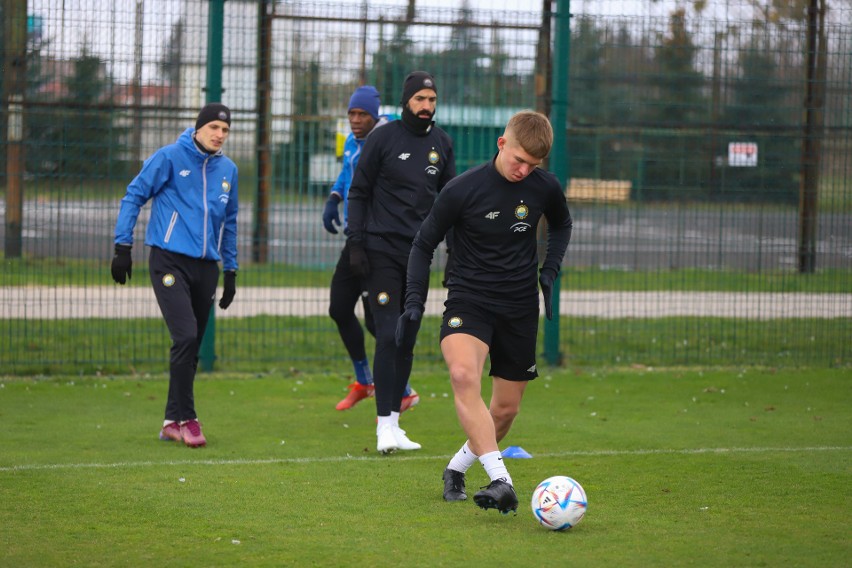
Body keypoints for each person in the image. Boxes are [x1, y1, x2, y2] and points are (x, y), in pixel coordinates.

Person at [396, 110, 573, 513]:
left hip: (519, 306)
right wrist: (412, 300)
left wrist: (550, 269)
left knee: (505, 410)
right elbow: (423, 245)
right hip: (469, 299)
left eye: (533, 165)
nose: (524, 170)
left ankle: (456, 469)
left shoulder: (544, 187)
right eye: (519, 160)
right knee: (462, 375)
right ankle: (501, 480)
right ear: (502, 143)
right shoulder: (462, 189)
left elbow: (562, 225)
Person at [111, 103, 239, 448]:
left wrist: (231, 270)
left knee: (191, 345)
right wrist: (123, 247)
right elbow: (134, 195)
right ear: (198, 128)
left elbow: (231, 223)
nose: (219, 135)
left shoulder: (229, 169)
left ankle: (171, 420)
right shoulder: (168, 157)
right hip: (168, 262)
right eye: (213, 127)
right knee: (184, 337)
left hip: (206, 268)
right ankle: (189, 419)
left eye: (225, 130)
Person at [347, 71, 456, 454]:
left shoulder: (442, 144)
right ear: (406, 101)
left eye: (432, 99)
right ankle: (381, 427)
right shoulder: (382, 138)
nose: (426, 106)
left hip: (418, 254)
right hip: (379, 250)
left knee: (407, 333)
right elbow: (358, 192)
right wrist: (356, 244)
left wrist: (453, 252)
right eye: (420, 99)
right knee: (390, 329)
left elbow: (450, 203)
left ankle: (395, 423)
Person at [322, 85, 420, 413]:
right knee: (339, 308)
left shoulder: (388, 140)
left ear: (375, 114)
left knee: (379, 322)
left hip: (377, 242)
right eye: (351, 113)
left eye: (362, 113)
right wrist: (335, 198)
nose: (355, 119)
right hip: (355, 240)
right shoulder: (353, 140)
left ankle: (401, 390)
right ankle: (365, 381)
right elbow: (347, 173)